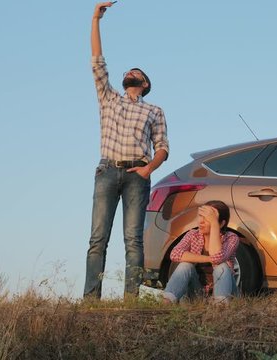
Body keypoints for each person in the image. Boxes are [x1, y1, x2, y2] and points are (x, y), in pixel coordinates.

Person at [84, 2, 169, 300]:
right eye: (127, 71)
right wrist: (96, 18)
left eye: (136, 72)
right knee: (98, 239)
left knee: (133, 240)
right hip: (107, 170)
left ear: (144, 84)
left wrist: (148, 169)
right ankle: (90, 301)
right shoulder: (109, 99)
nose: (129, 72)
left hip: (137, 174)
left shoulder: (154, 110)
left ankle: (130, 301)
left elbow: (162, 147)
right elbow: (97, 60)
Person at [163, 201, 240, 304]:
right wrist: (207, 258)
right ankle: (167, 301)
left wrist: (214, 225)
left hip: (224, 293)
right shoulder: (193, 235)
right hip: (197, 293)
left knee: (222, 267)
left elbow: (217, 258)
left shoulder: (231, 238)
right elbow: (175, 254)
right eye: (200, 216)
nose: (201, 222)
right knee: (185, 265)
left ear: (221, 223)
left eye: (208, 218)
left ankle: (220, 307)